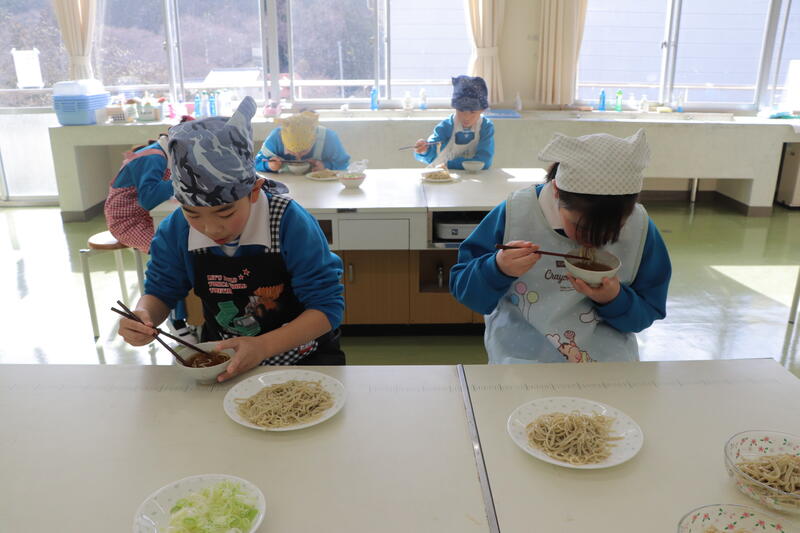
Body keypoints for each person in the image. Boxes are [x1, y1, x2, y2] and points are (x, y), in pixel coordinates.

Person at [117, 97, 345, 381]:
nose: (211, 228)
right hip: (224, 359)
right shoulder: (176, 229)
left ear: (254, 191)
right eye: (193, 213)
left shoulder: (289, 222)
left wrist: (263, 347)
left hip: (305, 357)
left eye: (225, 213)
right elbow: (161, 291)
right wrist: (143, 315)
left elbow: (326, 308)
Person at [450, 129, 671, 364]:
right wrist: (497, 268)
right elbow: (467, 292)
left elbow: (647, 313)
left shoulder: (640, 227)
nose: (591, 241)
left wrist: (615, 299)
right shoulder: (517, 214)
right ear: (556, 191)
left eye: (613, 230)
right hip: (520, 359)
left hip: (606, 364)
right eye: (580, 227)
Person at [104, 115, 195, 340]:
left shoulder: (162, 154)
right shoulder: (154, 156)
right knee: (171, 254)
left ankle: (188, 314)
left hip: (144, 216)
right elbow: (148, 199)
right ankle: (176, 319)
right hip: (127, 221)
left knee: (182, 245)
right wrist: (182, 178)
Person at [414, 75, 494, 170]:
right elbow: (432, 156)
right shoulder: (446, 126)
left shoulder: (486, 127)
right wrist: (424, 150)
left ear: (482, 110)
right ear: (455, 108)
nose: (466, 117)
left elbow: (484, 161)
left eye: (472, 112)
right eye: (461, 111)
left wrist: (448, 164)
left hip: (474, 176)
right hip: (444, 175)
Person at [254, 110, 350, 173]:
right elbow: (255, 163)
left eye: (303, 151)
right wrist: (268, 165)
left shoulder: (329, 138)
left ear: (314, 140)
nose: (298, 157)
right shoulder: (275, 138)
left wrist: (325, 166)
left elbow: (344, 164)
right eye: (291, 152)